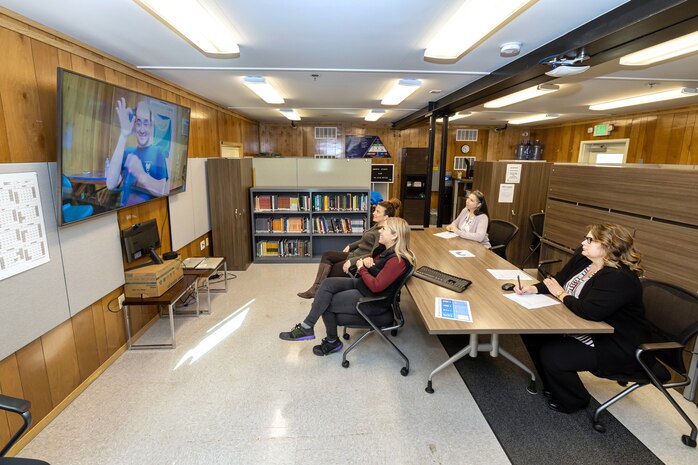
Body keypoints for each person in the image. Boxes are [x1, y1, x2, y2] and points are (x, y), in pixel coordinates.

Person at [515, 223, 647, 413]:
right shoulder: (584, 259)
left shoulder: (619, 277)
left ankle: (574, 401)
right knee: (532, 333)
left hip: (612, 340)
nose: (583, 242)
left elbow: (590, 311)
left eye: (589, 240)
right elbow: (558, 280)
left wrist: (561, 295)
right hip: (582, 324)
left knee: (553, 355)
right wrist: (533, 289)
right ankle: (555, 386)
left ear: (608, 246)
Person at [280, 217, 416, 356]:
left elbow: (376, 286)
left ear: (394, 235)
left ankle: (330, 341)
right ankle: (308, 327)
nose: (379, 231)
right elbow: (378, 269)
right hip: (363, 286)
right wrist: (368, 262)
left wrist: (362, 267)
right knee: (327, 284)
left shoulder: (397, 260)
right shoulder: (386, 250)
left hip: (373, 300)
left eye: (384, 229)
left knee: (325, 302)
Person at [297, 198, 402, 299]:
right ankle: (316, 289)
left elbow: (373, 255)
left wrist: (352, 261)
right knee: (327, 255)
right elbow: (363, 240)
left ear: (386, 217)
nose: (373, 213)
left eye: (378, 212)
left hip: (357, 258)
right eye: (375, 210)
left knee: (331, 270)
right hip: (355, 253)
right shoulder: (376, 226)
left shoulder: (382, 233)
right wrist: (350, 246)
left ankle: (322, 293)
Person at [106, 97, 169, 207]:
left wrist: (141, 174)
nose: (142, 129)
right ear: (134, 124)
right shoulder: (128, 152)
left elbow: (164, 190)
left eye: (146, 123)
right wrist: (123, 134)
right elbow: (110, 183)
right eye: (138, 123)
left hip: (148, 214)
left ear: (151, 125)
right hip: (125, 212)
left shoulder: (158, 153)